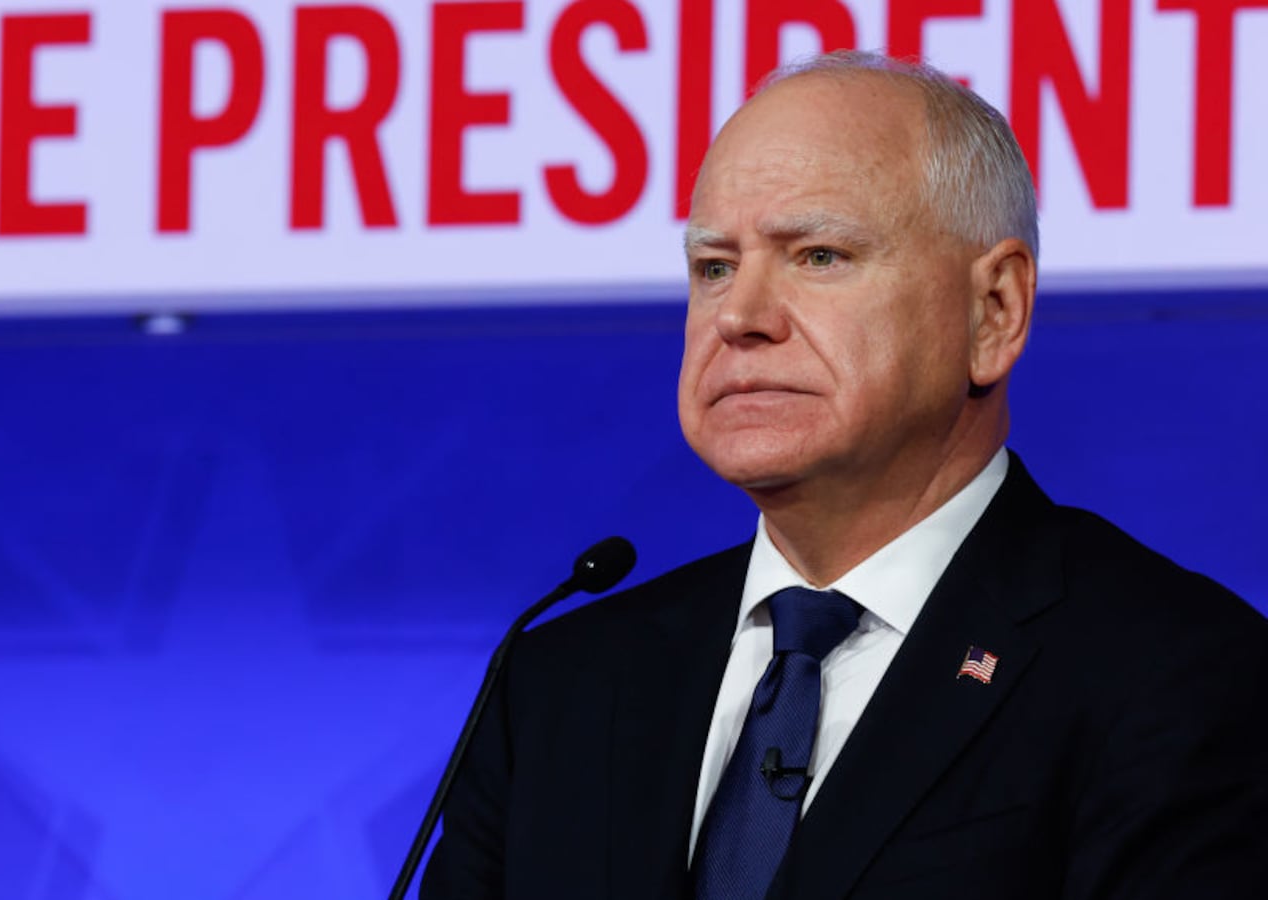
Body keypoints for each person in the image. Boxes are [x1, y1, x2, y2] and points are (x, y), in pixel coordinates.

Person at [420, 51, 1268, 899]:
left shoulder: (1174, 675)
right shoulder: (554, 690)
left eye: (818, 255)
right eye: (714, 266)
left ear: (993, 312)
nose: (740, 317)